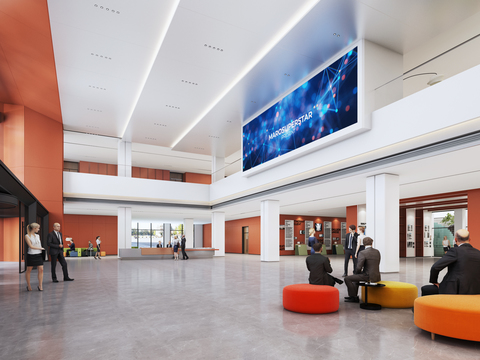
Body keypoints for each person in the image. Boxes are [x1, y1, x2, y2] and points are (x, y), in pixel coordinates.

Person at [421, 229, 480, 296]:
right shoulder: (478, 252)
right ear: (469, 239)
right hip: (475, 290)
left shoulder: (455, 251)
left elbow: (436, 267)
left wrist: (434, 281)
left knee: (426, 289)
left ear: (455, 240)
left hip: (455, 290)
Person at [344, 237, 381, 302]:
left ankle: (353, 297)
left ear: (363, 244)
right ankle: (354, 296)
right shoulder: (377, 252)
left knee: (347, 278)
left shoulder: (363, 253)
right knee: (356, 278)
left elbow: (359, 267)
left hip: (368, 276)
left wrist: (357, 272)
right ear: (372, 243)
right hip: (376, 276)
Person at [25, 223, 45, 291]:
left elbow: (39, 244)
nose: (38, 229)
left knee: (41, 270)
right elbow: (31, 246)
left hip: (39, 254)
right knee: (29, 270)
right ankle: (28, 285)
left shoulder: (37, 236)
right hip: (31, 255)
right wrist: (41, 248)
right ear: (34, 228)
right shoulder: (27, 236)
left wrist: (41, 249)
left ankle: (40, 285)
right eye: (38, 228)